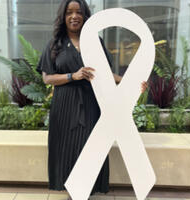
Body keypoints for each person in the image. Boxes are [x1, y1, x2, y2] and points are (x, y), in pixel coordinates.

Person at [36, 0, 148, 198]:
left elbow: (106, 74)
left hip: (91, 103)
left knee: (88, 145)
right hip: (64, 105)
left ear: (85, 15)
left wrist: (129, 82)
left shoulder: (95, 42)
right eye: (69, 12)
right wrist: (73, 75)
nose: (74, 16)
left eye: (79, 12)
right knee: (66, 147)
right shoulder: (55, 44)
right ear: (63, 16)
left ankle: (85, 190)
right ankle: (73, 190)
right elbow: (47, 78)